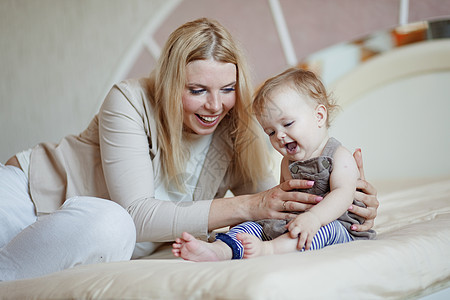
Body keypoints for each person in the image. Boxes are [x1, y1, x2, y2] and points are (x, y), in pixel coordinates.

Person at [0, 18, 378, 281]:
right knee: (114, 221)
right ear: (169, 83)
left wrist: (347, 204)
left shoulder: (237, 128)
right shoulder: (128, 101)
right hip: (27, 195)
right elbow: (138, 215)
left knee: (110, 227)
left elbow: (274, 206)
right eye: (197, 90)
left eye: (227, 90)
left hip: (89, 235)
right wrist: (251, 204)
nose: (215, 106)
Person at [172, 68, 376, 261]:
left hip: (336, 226)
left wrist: (314, 218)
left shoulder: (339, 156)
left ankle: (269, 249)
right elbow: (283, 200)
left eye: (287, 124)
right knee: (251, 226)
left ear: (319, 116)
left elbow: (343, 194)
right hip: (295, 221)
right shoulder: (287, 163)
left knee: (319, 231)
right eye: (270, 132)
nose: (279, 135)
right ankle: (220, 250)